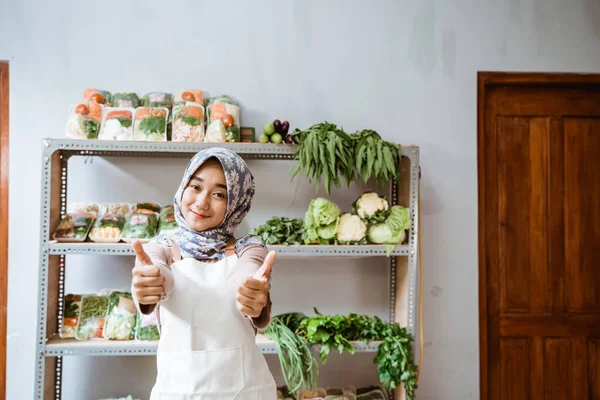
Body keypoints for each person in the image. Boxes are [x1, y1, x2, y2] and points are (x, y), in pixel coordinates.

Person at [130, 147, 278, 399]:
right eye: (196, 187)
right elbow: (158, 274)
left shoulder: (249, 250)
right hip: (178, 390)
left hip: (243, 392)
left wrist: (251, 294)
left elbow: (247, 274)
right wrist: (150, 285)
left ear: (235, 204)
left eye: (219, 194)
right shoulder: (160, 248)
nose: (202, 202)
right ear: (183, 187)